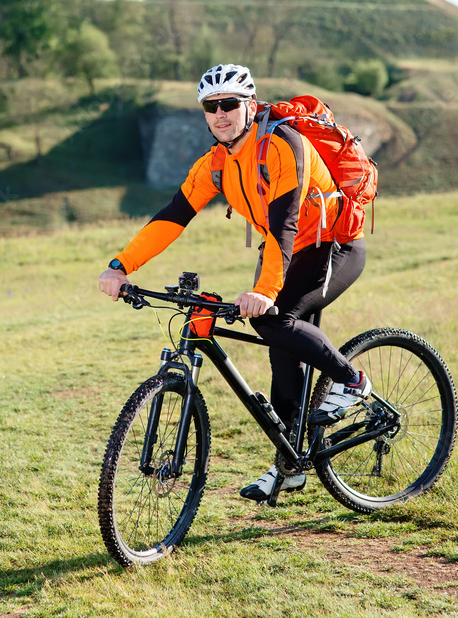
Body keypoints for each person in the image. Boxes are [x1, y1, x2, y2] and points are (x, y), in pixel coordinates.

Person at [98, 63, 371, 502]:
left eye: (229, 104)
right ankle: (289, 466)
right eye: (211, 106)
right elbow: (172, 217)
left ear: (250, 105)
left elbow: (283, 225)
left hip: (331, 246)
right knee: (281, 351)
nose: (220, 113)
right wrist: (121, 265)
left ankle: (352, 382)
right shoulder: (216, 164)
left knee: (273, 322)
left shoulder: (282, 146)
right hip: (285, 252)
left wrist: (264, 292)